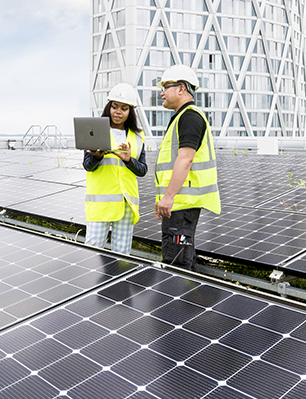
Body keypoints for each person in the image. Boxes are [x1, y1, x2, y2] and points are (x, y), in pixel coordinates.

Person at [154, 64, 221, 271]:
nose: (162, 92)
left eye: (166, 86)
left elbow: (185, 159)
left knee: (176, 265)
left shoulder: (189, 117)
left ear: (181, 88)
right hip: (179, 203)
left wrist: (168, 197)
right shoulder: (181, 117)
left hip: (182, 203)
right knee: (181, 260)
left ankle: (179, 303)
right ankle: (184, 302)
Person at [83, 83, 148, 255]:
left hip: (127, 204)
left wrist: (129, 160)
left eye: (124, 108)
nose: (118, 112)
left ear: (130, 112)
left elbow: (142, 170)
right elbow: (87, 166)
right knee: (92, 253)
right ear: (108, 107)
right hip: (101, 204)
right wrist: (97, 156)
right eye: (114, 106)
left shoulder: (138, 136)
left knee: (122, 256)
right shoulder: (94, 130)